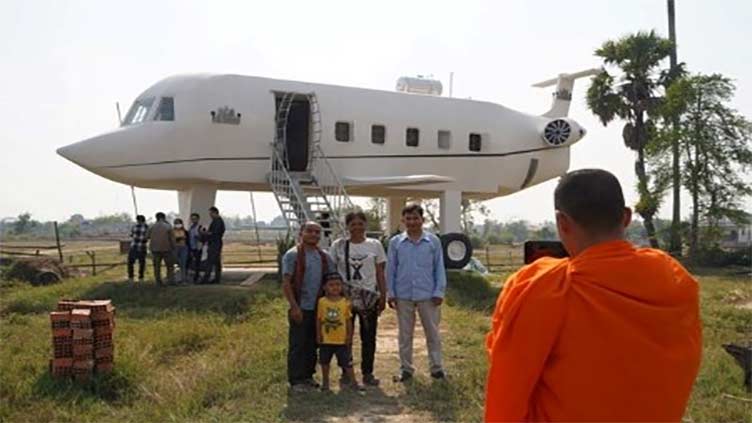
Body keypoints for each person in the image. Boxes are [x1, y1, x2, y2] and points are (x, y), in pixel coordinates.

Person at [484, 169, 702, 422]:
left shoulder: (543, 286)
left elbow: (508, 389)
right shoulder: (675, 278)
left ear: (562, 222)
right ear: (626, 217)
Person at [387, 204, 447, 382]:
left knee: (432, 333)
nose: (412, 222)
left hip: (428, 295)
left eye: (415, 218)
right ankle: (406, 369)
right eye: (408, 219)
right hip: (403, 294)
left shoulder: (433, 241)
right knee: (405, 334)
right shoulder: (396, 243)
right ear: (403, 221)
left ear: (422, 220)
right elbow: (391, 269)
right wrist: (391, 293)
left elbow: (439, 268)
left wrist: (439, 291)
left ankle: (436, 368)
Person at [330, 210, 387, 386]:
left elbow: (380, 272)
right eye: (352, 224)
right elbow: (332, 272)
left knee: (368, 336)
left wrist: (383, 296)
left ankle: (367, 372)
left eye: (360, 223)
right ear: (347, 226)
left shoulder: (375, 245)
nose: (356, 227)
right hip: (344, 298)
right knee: (344, 336)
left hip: (368, 297)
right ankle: (346, 371)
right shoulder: (338, 246)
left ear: (365, 225)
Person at [281, 221, 335, 392]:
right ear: (301, 233)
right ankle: (296, 380)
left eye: (317, 232)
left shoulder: (325, 257)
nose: (314, 235)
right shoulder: (292, 255)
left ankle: (308, 376)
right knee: (298, 344)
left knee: (313, 343)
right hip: (301, 307)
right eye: (310, 231)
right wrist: (294, 306)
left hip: (319, 308)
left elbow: (332, 281)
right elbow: (286, 283)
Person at [316, 272, 364, 392]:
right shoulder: (322, 302)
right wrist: (318, 334)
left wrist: (349, 336)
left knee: (347, 363)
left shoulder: (345, 302)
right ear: (325, 287)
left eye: (338, 284)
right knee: (325, 362)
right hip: (326, 339)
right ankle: (325, 383)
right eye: (331, 285)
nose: (335, 287)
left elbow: (348, 321)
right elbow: (319, 320)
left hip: (341, 340)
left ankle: (354, 383)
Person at [147, 212, 175, 286]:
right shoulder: (168, 226)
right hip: (167, 249)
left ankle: (158, 282)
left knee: (157, 266)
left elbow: (147, 236)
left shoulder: (152, 226)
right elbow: (172, 238)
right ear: (164, 217)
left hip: (155, 249)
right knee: (169, 266)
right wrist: (174, 247)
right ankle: (170, 281)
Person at [201, 206, 225, 284]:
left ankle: (206, 279)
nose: (210, 215)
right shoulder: (217, 221)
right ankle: (217, 279)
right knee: (216, 262)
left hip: (215, 243)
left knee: (210, 261)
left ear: (215, 212)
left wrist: (205, 233)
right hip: (216, 243)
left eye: (211, 213)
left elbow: (215, 233)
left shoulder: (217, 221)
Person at [127, 215, 148, 283]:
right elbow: (148, 237)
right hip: (142, 247)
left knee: (130, 263)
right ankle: (141, 277)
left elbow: (131, 235)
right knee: (142, 263)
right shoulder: (147, 227)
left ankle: (131, 277)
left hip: (134, 247)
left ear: (137, 220)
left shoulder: (134, 226)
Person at [187, 213, 204, 283]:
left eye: (195, 219)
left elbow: (202, 237)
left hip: (198, 247)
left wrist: (198, 237)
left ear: (198, 219)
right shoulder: (191, 227)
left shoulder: (200, 227)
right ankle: (191, 276)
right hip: (191, 247)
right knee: (190, 262)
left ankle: (196, 278)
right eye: (192, 219)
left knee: (197, 263)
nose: (193, 220)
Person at [173, 218, 188, 283]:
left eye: (179, 223)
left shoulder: (185, 231)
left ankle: (183, 279)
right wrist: (179, 238)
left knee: (183, 264)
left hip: (184, 248)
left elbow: (187, 239)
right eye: (176, 223)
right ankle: (175, 279)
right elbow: (172, 239)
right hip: (175, 248)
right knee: (175, 263)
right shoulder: (172, 231)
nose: (178, 225)